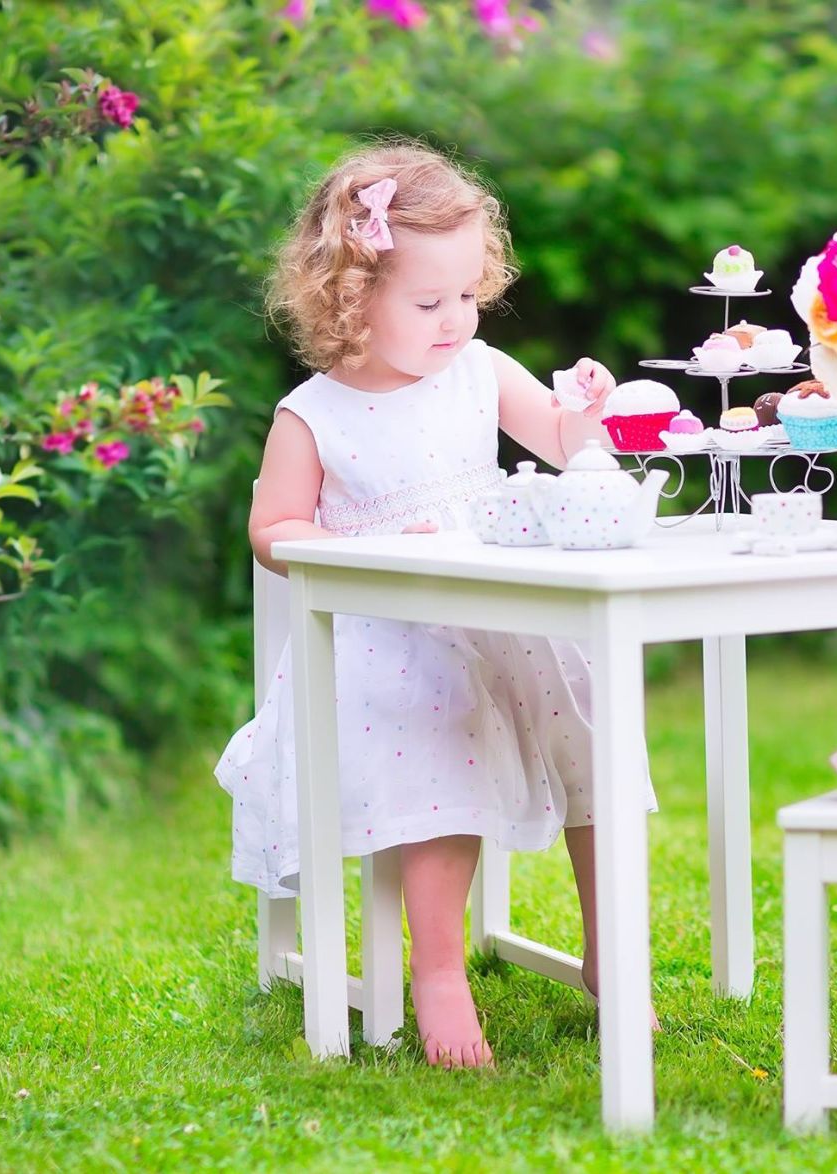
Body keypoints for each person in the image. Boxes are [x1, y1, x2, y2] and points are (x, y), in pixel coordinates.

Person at [215, 139, 652, 1068]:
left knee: (593, 715)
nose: (455, 319)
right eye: (428, 302)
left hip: (499, 618)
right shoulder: (315, 414)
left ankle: (612, 948)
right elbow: (275, 529)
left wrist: (585, 412)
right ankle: (438, 972)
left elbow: (564, 446)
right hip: (379, 643)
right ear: (351, 296)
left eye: (467, 295)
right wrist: (367, 552)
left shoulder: (478, 372)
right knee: (439, 731)